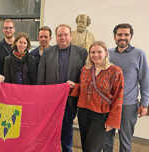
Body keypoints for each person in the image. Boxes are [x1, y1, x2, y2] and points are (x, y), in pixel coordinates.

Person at [38, 24, 87, 152]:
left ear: (71, 36)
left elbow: (84, 78)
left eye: (65, 34)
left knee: (67, 129)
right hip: (50, 100)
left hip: (70, 100)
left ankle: (67, 150)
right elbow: (41, 76)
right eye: (60, 35)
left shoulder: (81, 53)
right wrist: (41, 98)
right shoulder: (48, 52)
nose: (63, 37)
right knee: (49, 129)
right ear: (56, 37)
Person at [67, 41, 124, 152]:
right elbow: (84, 89)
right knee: (85, 146)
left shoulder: (115, 71)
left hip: (100, 115)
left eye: (99, 52)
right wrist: (75, 86)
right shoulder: (85, 69)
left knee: (92, 149)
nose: (95, 55)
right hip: (83, 113)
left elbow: (118, 97)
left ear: (106, 53)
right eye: (92, 52)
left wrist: (112, 121)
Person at [103, 23, 149, 152]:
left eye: (126, 34)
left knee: (125, 141)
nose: (122, 37)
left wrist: (145, 104)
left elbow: (145, 81)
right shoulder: (108, 53)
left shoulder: (139, 54)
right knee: (106, 140)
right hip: (108, 104)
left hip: (128, 105)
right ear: (114, 37)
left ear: (131, 36)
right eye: (119, 35)